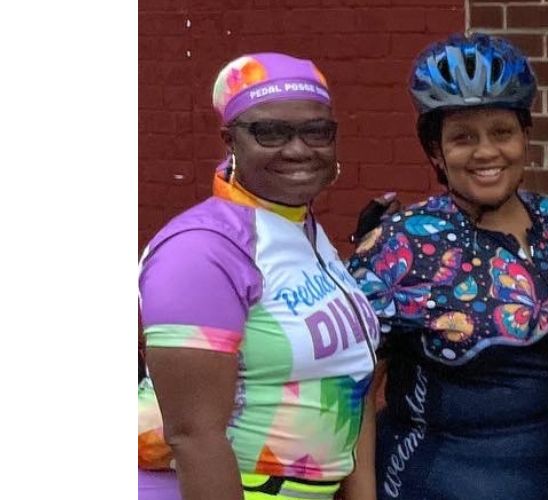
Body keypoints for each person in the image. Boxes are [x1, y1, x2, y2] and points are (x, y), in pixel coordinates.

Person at [341, 33, 548, 500]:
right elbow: (351, 396)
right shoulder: (398, 245)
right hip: (434, 484)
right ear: (435, 151)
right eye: (462, 138)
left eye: (502, 132)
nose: (485, 152)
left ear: (525, 137)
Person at [138, 52, 377, 500]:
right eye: (269, 131)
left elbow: (352, 377)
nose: (298, 148)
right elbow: (194, 436)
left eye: (317, 131)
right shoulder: (202, 250)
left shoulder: (299, 230)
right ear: (230, 140)